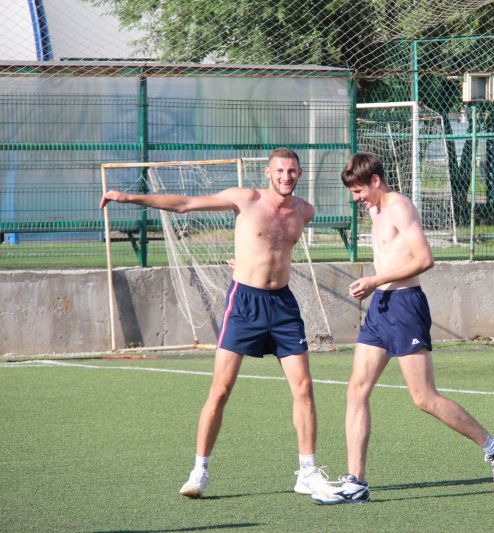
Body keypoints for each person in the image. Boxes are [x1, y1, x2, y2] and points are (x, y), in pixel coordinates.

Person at [100, 148, 330, 499]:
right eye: (280, 170)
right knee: (221, 389)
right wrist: (129, 197)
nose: (286, 176)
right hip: (244, 303)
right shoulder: (245, 199)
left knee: (303, 388)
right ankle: (199, 471)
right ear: (268, 173)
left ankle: (308, 472)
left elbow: (273, 248)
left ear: (300, 173)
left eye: (292, 171)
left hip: (283, 305)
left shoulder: (305, 211)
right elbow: (185, 205)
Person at [310, 152, 494, 505]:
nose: (356, 198)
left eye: (359, 191)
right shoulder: (375, 210)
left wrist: (375, 280)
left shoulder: (399, 207)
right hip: (381, 307)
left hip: (406, 306)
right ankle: (356, 482)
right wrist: (377, 287)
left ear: (375, 181)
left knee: (424, 398)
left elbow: (424, 259)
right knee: (356, 390)